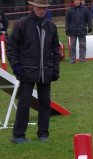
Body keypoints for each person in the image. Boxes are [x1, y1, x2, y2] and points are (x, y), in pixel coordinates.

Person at [6, 0, 60, 144]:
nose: (42, 10)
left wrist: (55, 69)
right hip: (26, 72)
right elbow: (11, 47)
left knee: (45, 103)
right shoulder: (22, 24)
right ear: (33, 7)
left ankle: (43, 134)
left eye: (44, 8)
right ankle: (18, 135)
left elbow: (56, 50)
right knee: (24, 104)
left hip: (46, 72)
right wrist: (16, 66)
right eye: (39, 8)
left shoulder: (51, 26)